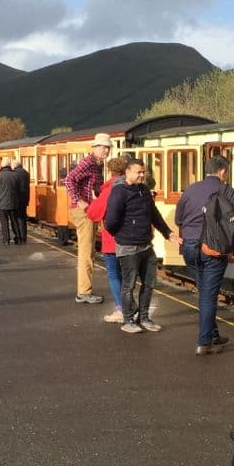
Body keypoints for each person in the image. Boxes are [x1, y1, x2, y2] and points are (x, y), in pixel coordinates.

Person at [174, 155, 234, 355]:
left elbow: (179, 219)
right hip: (212, 247)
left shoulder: (191, 188)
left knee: (205, 291)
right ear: (222, 171)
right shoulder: (225, 190)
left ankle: (213, 334)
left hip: (189, 247)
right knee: (208, 295)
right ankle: (204, 343)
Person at [103, 157, 180, 333]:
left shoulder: (144, 190)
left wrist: (168, 233)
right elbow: (110, 222)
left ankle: (144, 317)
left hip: (146, 245)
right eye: (138, 172)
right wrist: (122, 235)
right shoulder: (119, 192)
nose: (141, 175)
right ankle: (127, 319)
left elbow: (154, 214)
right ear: (128, 172)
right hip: (128, 246)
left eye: (143, 172)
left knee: (149, 283)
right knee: (128, 285)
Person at [63, 133, 112, 304]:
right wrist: (80, 201)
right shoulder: (88, 162)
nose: (106, 150)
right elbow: (69, 180)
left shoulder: (96, 165)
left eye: (108, 147)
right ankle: (84, 292)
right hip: (83, 212)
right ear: (95, 148)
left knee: (88, 251)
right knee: (86, 252)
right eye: (103, 147)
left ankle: (84, 290)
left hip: (89, 211)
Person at [84, 155, 129, 323]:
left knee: (114, 275)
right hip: (133, 240)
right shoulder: (136, 187)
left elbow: (93, 214)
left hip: (113, 240)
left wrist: (86, 205)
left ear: (110, 171)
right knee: (128, 276)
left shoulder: (110, 189)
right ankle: (132, 307)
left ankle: (121, 310)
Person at [0, 160, 22, 245]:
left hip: (2, 203)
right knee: (14, 221)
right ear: (9, 166)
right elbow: (19, 188)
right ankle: (18, 238)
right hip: (13, 202)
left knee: (4, 222)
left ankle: (6, 239)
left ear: (2, 166)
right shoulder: (15, 175)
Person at [10, 158, 30, 244]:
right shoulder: (26, 173)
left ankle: (18, 236)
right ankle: (24, 237)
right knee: (23, 218)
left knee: (16, 219)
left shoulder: (14, 173)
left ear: (14, 165)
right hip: (25, 198)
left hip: (16, 199)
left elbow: (14, 187)